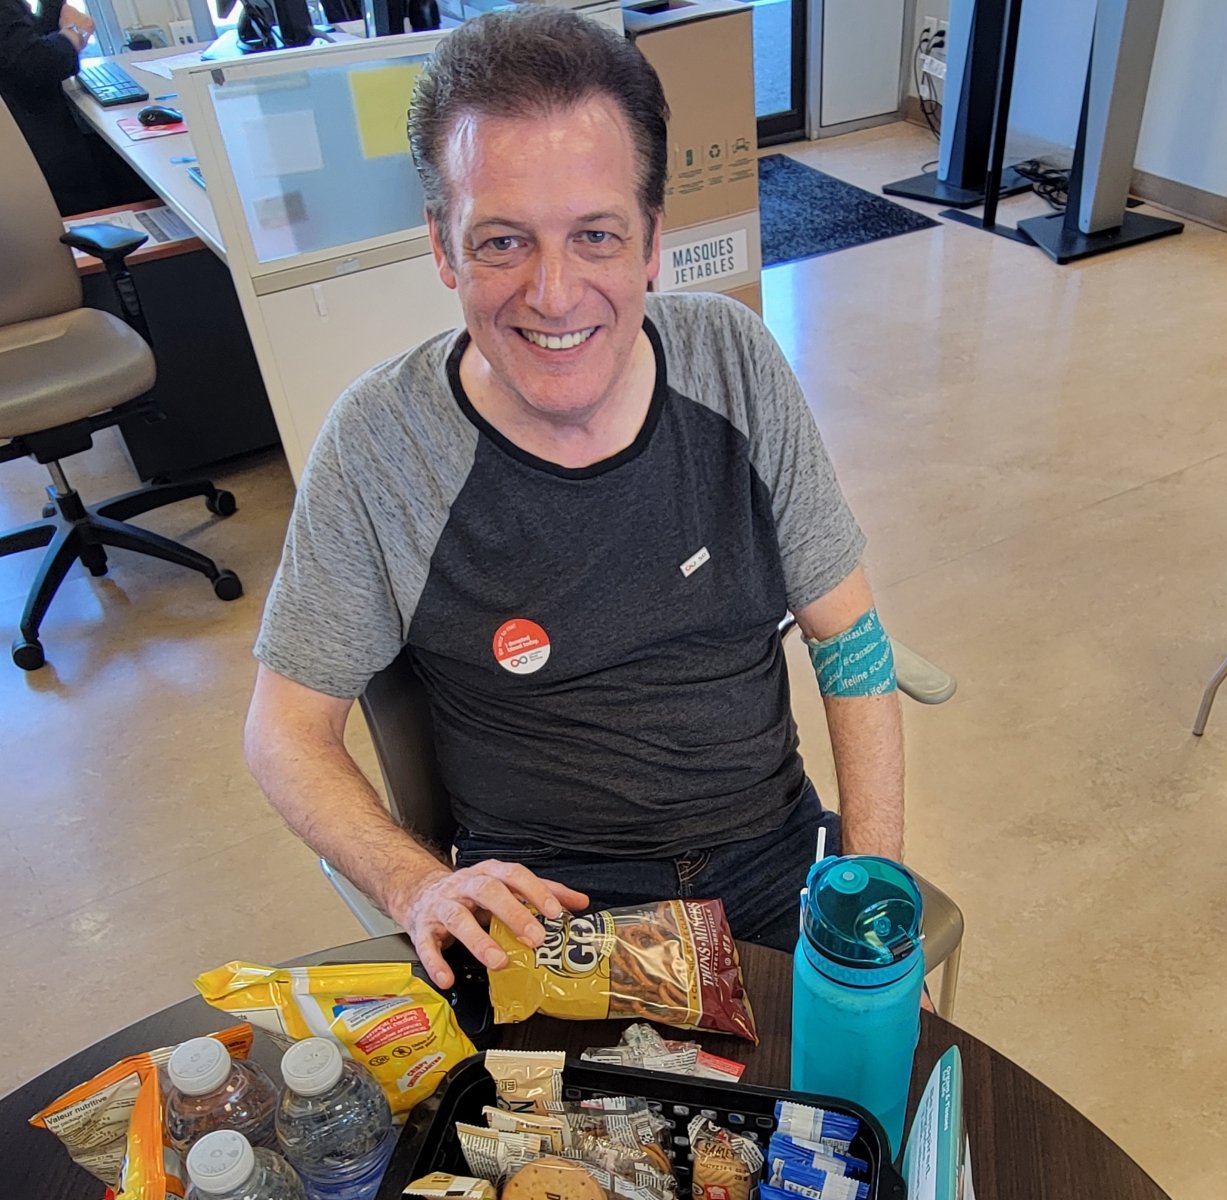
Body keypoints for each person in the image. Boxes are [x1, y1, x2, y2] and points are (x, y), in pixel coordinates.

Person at [244, 5, 905, 990]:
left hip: (774, 868)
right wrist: (414, 885)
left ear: (649, 243)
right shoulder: (381, 445)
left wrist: (874, 882)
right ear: (441, 248)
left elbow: (850, 640)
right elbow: (283, 730)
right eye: (503, 242)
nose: (553, 295)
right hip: (552, 914)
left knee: (847, 1130)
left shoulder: (734, 364)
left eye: (595, 235)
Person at [1, 0, 150, 214]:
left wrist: (53, 9)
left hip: (36, 147)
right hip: (45, 169)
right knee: (153, 171)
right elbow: (39, 64)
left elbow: (22, 48)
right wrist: (75, 32)